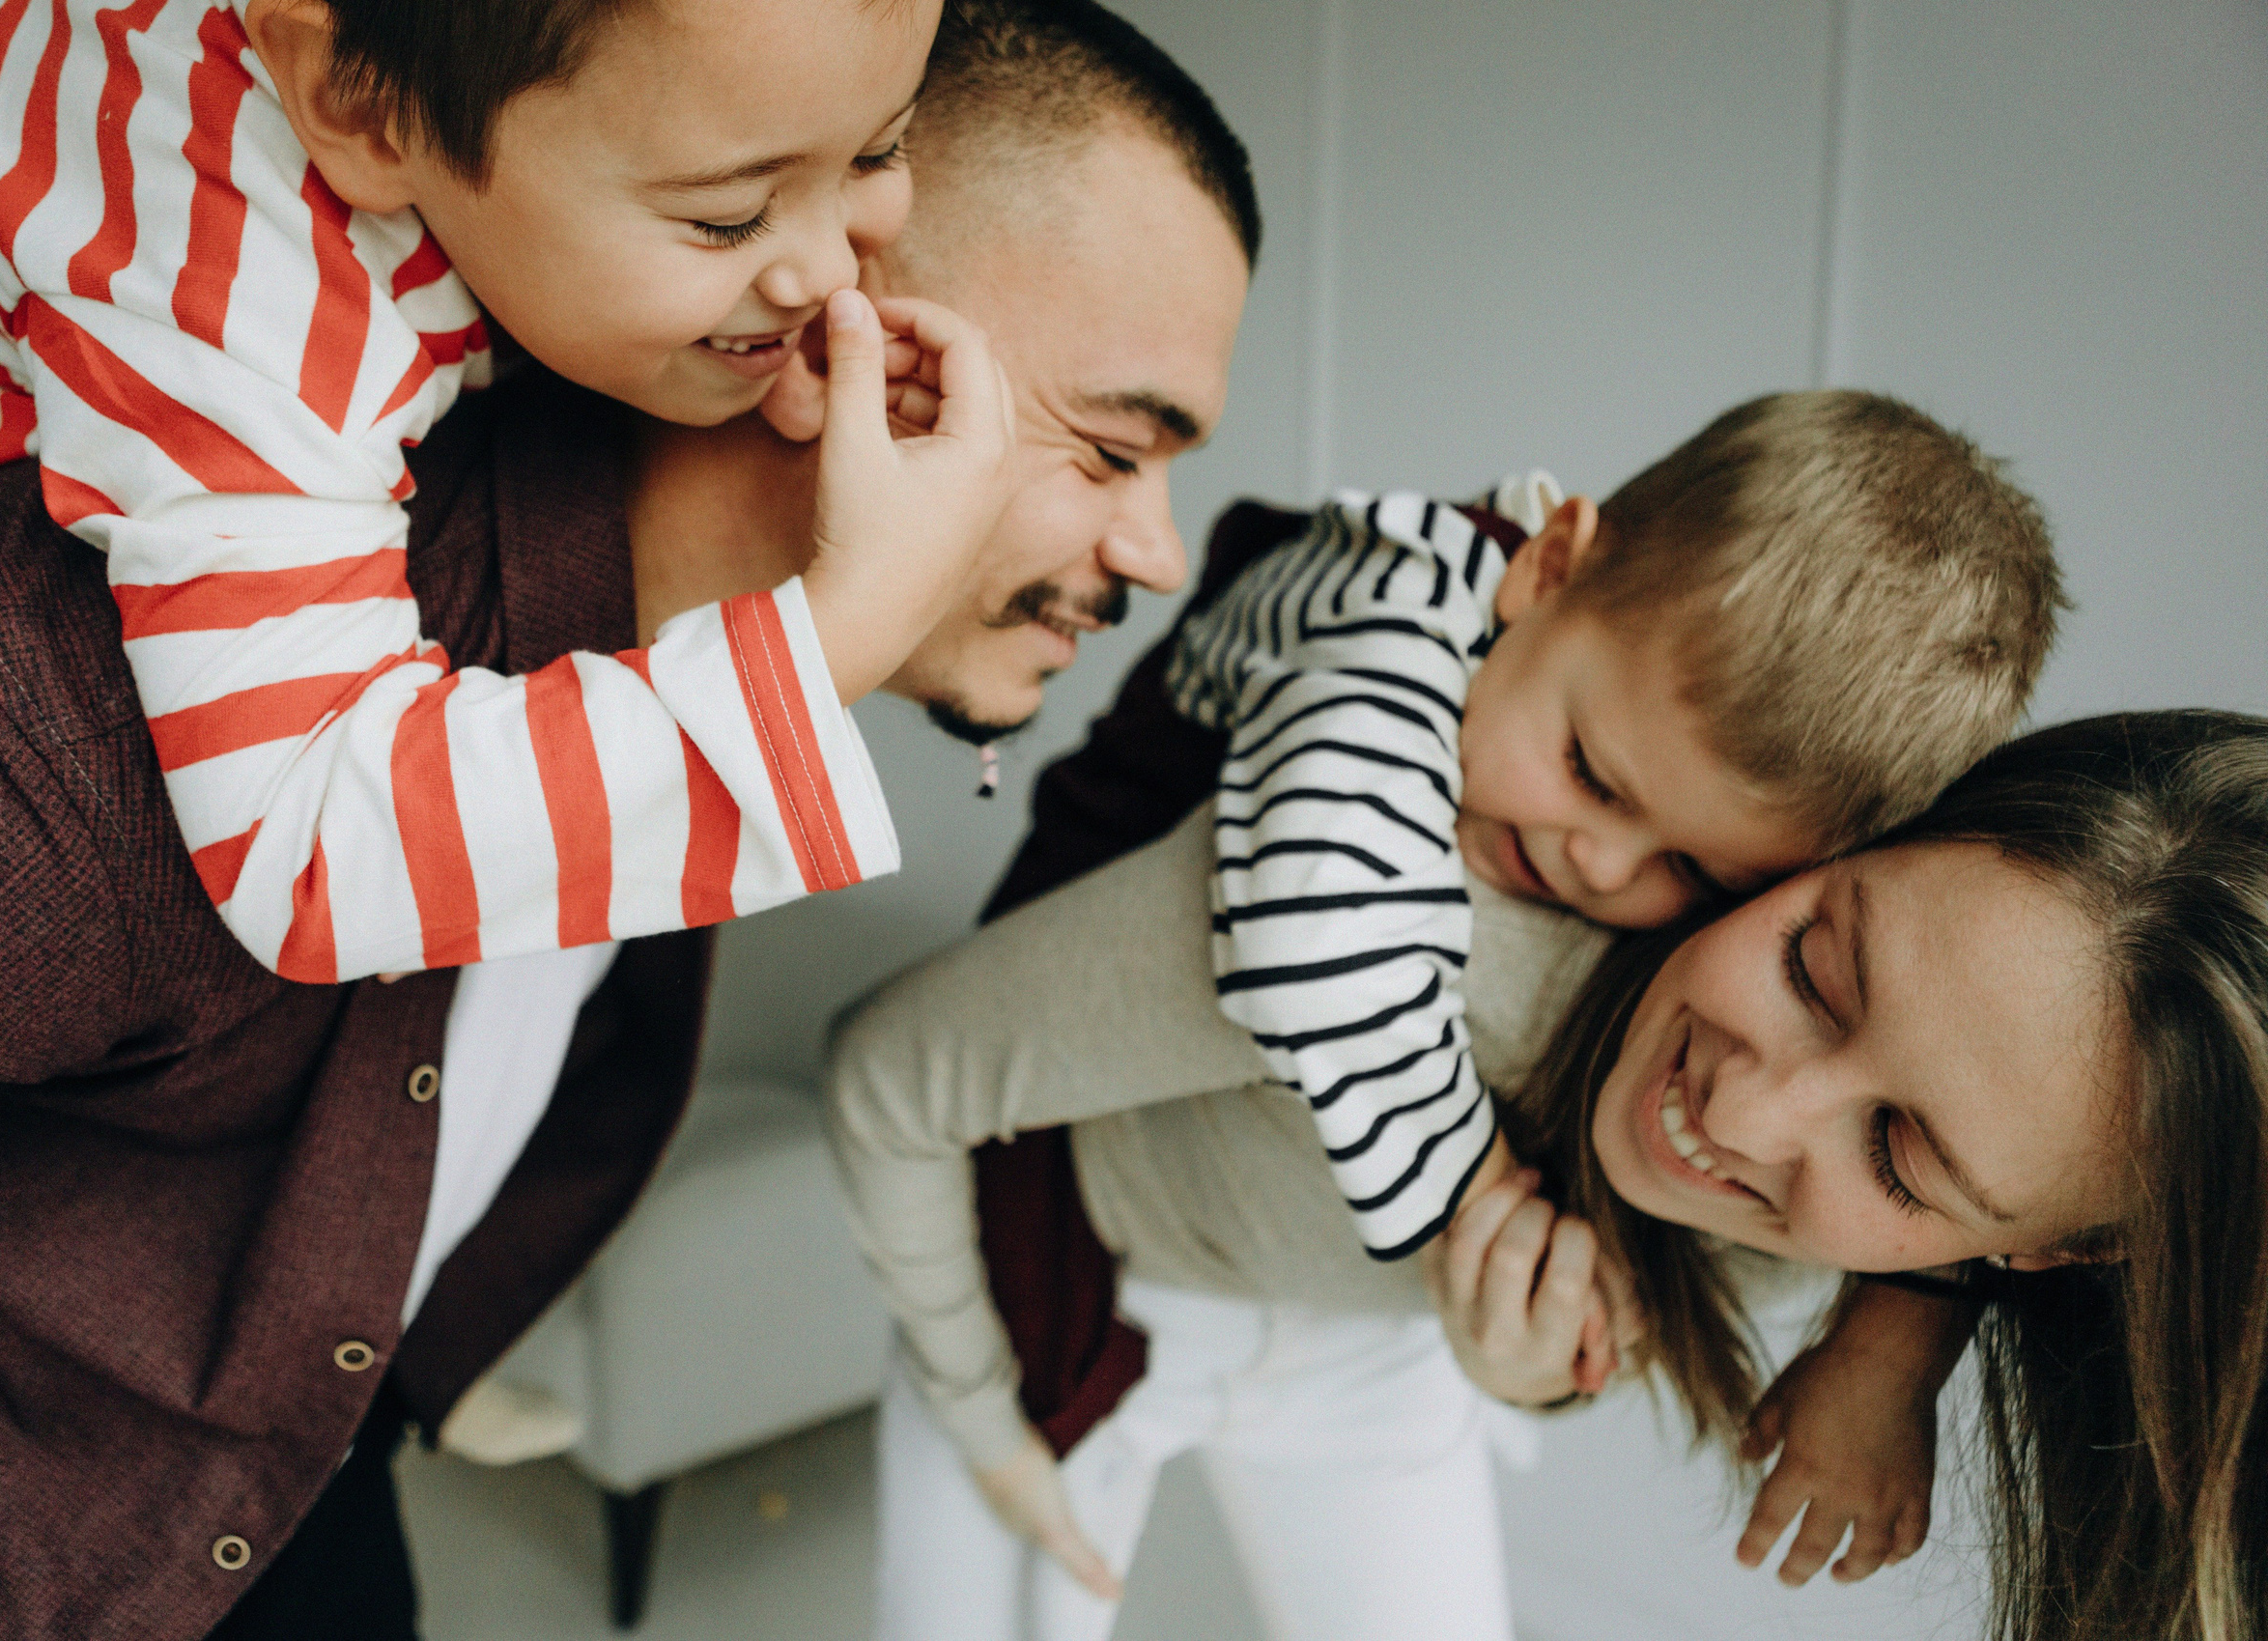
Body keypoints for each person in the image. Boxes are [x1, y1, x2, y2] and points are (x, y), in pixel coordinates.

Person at [0, 0, 1259, 1632]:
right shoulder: (55, 695)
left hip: (297, 1503)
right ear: (829, 341)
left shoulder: (654, 674)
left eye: (869, 163)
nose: (1162, 554)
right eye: (1115, 448)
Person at [831, 388, 2063, 1640]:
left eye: (1694, 873)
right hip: (1084, 1235)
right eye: (1590, 769)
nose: (1594, 862)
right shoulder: (1383, 668)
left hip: (1373, 1348)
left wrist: (1900, 1332)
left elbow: (1993, 1102)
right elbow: (1316, 945)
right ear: (1547, 563)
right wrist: (1473, 1190)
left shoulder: (1735, 1005)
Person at [831, 703, 2268, 1641]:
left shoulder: (1909, 1247)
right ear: (1857, 830)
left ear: (2043, 1254)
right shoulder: (1356, 928)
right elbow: (889, 1065)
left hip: (1375, 1353)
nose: (1746, 1114)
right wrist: (976, 1399)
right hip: (1070, 1296)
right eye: (1815, 965)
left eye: (1898, 1154)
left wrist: (1891, 1330)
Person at [0, 0, 1015, 984]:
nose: (821, 269)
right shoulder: (223, 285)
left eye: (876, 149)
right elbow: (308, 848)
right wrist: (841, 630)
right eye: (726, 215)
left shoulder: (452, 82)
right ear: (359, 108)